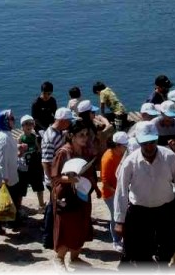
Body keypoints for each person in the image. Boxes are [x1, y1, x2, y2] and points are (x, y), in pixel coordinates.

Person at [114, 120, 175, 266]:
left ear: (156, 139)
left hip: (165, 210)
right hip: (140, 212)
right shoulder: (130, 162)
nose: (149, 146)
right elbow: (121, 191)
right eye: (144, 143)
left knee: (168, 247)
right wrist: (120, 220)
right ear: (138, 141)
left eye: (152, 142)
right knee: (142, 251)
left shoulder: (169, 157)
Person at [51, 122, 96, 270]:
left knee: (81, 224)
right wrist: (71, 179)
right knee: (66, 226)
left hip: (81, 193)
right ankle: (59, 259)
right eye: (81, 135)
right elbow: (55, 177)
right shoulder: (63, 153)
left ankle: (75, 258)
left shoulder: (85, 151)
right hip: (66, 194)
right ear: (72, 136)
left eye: (86, 134)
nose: (85, 138)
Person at [41, 107, 76, 250]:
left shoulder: (59, 132)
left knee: (52, 206)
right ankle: (48, 238)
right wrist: (52, 180)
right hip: (54, 179)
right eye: (68, 121)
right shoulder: (50, 137)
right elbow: (46, 161)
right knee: (53, 208)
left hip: (58, 176)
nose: (70, 123)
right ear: (62, 121)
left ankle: (48, 234)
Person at [100, 131, 129, 252]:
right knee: (116, 217)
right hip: (111, 194)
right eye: (125, 145)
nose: (127, 147)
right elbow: (105, 184)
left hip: (121, 191)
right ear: (117, 146)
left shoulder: (123, 154)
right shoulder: (108, 158)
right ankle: (116, 241)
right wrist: (119, 193)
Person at [0, 110, 20, 217]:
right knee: (8, 200)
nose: (14, 120)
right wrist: (5, 177)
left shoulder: (5, 134)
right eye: (11, 119)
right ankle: (9, 221)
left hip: (8, 173)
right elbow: (2, 160)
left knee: (11, 199)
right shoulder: (4, 138)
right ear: (5, 122)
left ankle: (11, 220)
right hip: (5, 176)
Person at [19, 115, 45, 209]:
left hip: (34, 163)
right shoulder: (21, 138)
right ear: (22, 126)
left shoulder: (34, 136)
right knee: (22, 187)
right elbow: (18, 151)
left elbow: (38, 148)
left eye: (31, 123)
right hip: (25, 164)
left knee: (39, 185)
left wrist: (39, 152)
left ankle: (41, 204)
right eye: (26, 124)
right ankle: (19, 205)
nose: (29, 125)